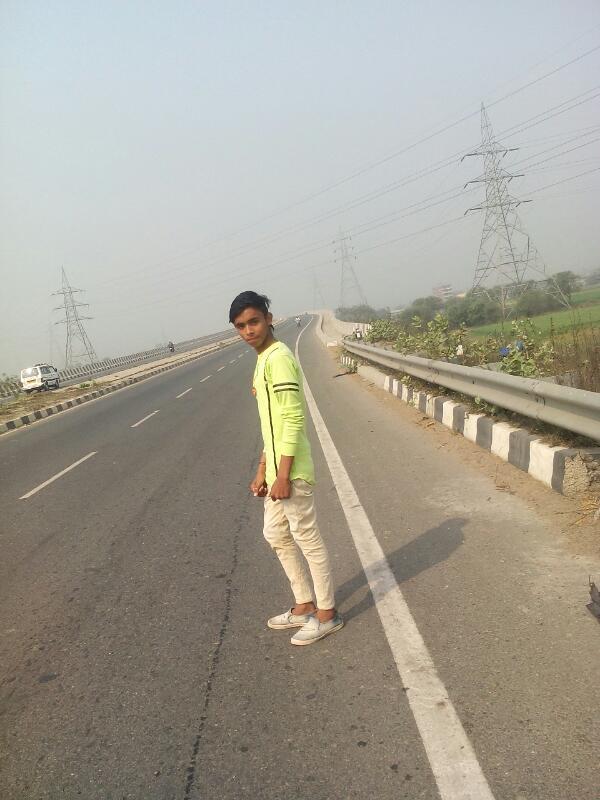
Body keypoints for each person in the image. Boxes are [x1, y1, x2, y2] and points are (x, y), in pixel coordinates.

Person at [229, 290, 343, 646]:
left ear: (268, 319)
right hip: (278, 470)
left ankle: (327, 614)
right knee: (276, 534)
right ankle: (304, 605)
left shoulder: (278, 358)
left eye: (253, 322)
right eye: (240, 326)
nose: (248, 330)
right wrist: (263, 469)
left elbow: (293, 420)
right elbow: (272, 426)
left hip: (292, 471)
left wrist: (282, 475)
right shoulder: (263, 359)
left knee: (307, 538)